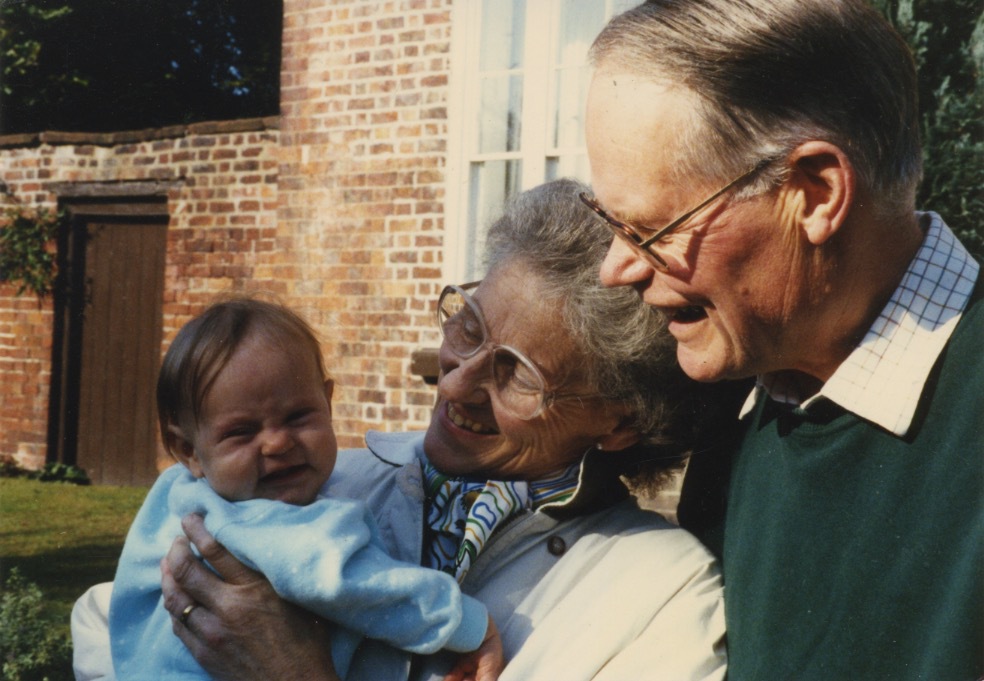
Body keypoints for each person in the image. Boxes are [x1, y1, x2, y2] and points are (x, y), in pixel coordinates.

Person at [72, 178, 728, 681]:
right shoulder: (314, 486)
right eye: (466, 326)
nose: (454, 384)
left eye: (516, 373)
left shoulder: (659, 593)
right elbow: (105, 622)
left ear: (620, 420)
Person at [581, 1, 983, 678]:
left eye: (649, 229)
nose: (614, 268)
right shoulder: (748, 400)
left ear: (816, 192)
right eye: (608, 220)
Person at [105, 297, 501, 681]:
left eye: (297, 416)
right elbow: (357, 586)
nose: (278, 443)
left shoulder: (173, 493)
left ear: (327, 404)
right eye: (241, 432)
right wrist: (467, 625)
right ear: (188, 449)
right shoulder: (279, 527)